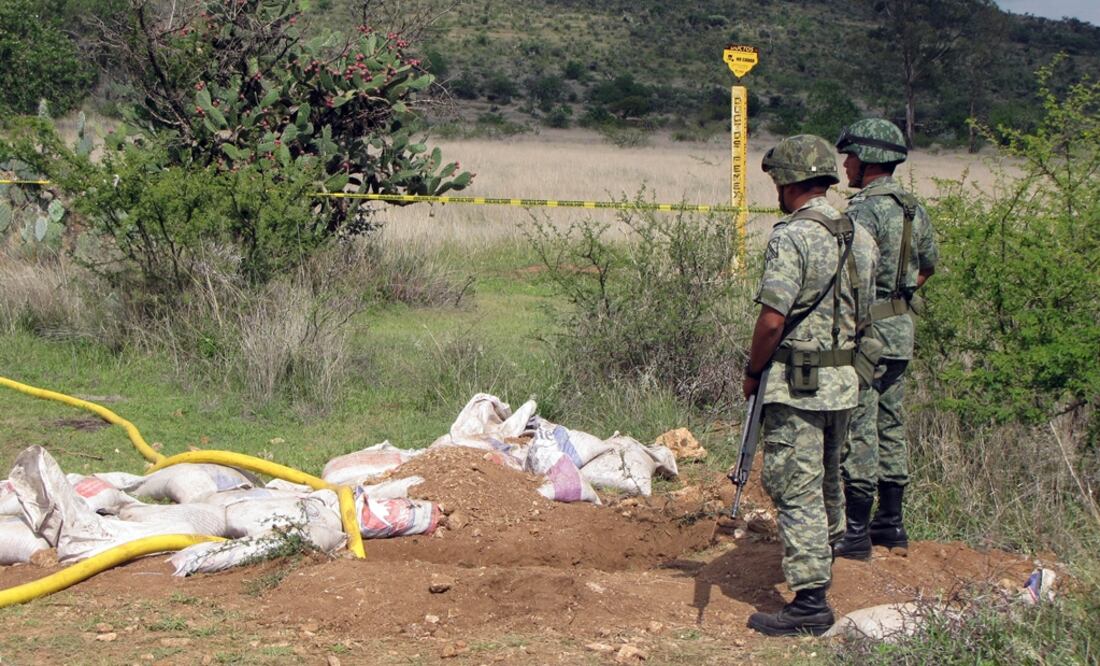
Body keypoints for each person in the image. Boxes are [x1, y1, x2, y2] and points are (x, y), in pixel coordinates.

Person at [743, 135, 877, 636]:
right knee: (825, 479)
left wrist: (754, 371)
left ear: (790, 181)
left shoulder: (793, 237)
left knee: (794, 485)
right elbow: (868, 313)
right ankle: (828, 557)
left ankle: (810, 601)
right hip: (843, 379)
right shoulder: (858, 235)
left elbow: (772, 320)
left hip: (798, 383)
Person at [831, 119, 939, 560]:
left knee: (860, 427)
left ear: (869, 160)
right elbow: (927, 266)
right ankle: (891, 524)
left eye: (851, 156)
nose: (846, 164)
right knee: (892, 423)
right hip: (901, 329)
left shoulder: (862, 211)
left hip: (868, 333)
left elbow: (846, 274)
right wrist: (899, 297)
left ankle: (855, 531)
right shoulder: (914, 209)